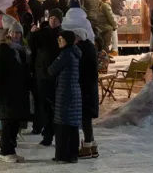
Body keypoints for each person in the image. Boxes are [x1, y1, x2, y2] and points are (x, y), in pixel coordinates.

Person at [0, 22, 33, 163]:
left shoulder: (21, 50)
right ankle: (5, 151)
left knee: (15, 121)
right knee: (8, 122)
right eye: (13, 32)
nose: (16, 35)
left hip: (19, 92)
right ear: (9, 33)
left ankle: (12, 149)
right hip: (7, 92)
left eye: (18, 33)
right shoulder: (3, 48)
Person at [29, 9, 63, 145]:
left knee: (53, 106)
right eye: (51, 18)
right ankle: (46, 132)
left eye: (56, 18)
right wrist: (32, 34)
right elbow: (32, 47)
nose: (53, 20)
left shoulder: (62, 34)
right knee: (44, 105)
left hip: (54, 76)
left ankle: (51, 132)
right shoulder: (42, 33)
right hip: (41, 75)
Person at [49, 30, 83, 164]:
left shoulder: (66, 53)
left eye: (61, 39)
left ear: (67, 40)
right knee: (72, 125)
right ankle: (72, 154)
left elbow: (51, 70)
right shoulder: (75, 52)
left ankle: (62, 155)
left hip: (65, 93)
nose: (59, 41)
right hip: (74, 92)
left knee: (62, 124)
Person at [76, 30, 100, 158]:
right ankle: (92, 146)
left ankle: (87, 147)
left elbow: (82, 69)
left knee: (85, 118)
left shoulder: (82, 49)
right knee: (87, 118)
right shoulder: (90, 47)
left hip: (85, 88)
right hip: (90, 88)